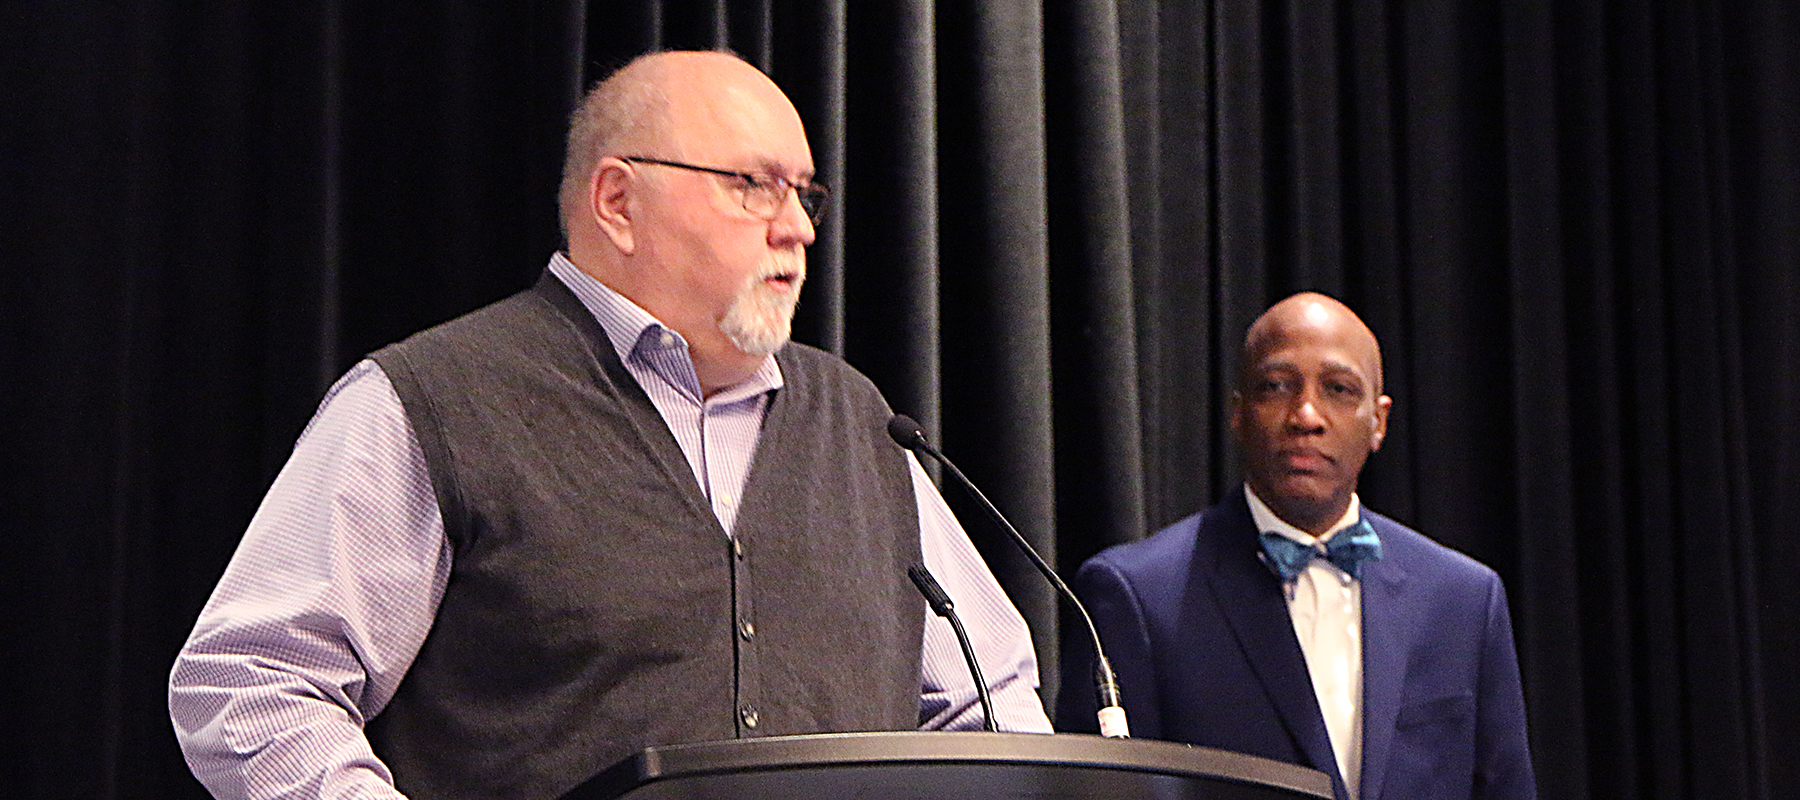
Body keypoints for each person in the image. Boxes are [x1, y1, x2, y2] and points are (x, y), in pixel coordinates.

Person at [170, 50, 1051, 800]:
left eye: (805, 195)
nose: (796, 229)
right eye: (754, 186)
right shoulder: (435, 399)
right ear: (618, 202)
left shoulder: (860, 422)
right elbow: (251, 681)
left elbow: (990, 700)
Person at [1058, 293, 1535, 800]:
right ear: (1238, 414)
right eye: (1276, 386)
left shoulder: (1463, 599)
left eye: (1338, 389)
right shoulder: (1137, 597)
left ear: (1379, 421)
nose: (1306, 415)